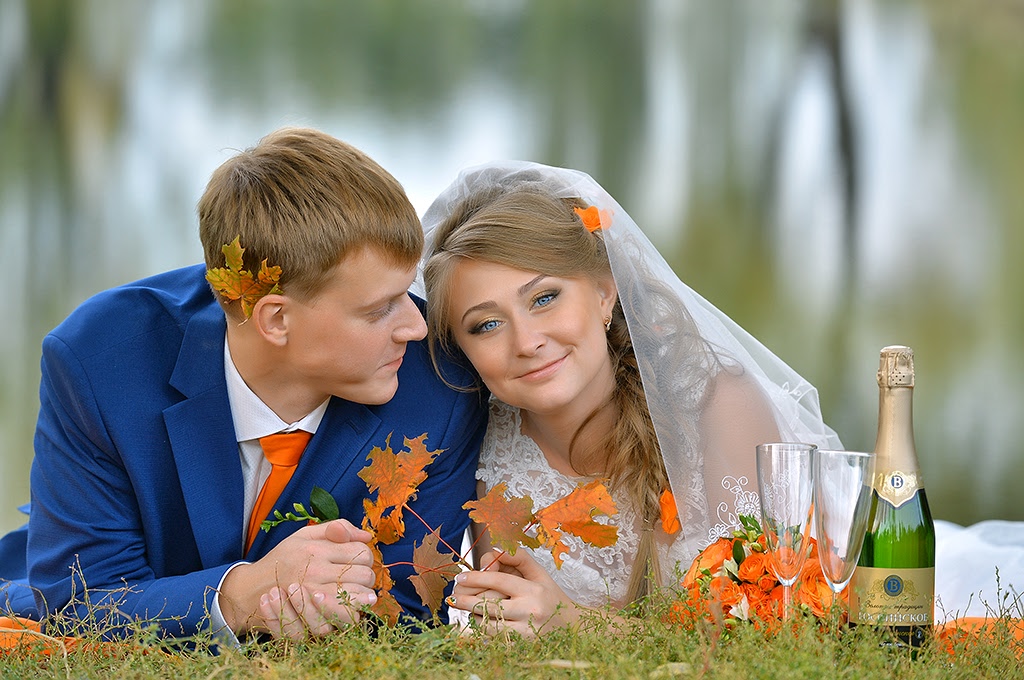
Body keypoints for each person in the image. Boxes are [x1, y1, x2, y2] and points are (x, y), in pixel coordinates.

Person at [0, 127, 486, 642]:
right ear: (275, 319)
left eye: (406, 292)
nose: (416, 326)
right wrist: (236, 596)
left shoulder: (442, 384)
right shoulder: (103, 360)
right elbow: (79, 599)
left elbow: (410, 612)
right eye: (379, 309)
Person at [415, 161, 841, 637]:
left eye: (544, 298)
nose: (526, 341)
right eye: (486, 324)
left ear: (603, 292)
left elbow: (776, 627)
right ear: (462, 348)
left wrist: (573, 622)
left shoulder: (720, 406)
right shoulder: (486, 444)